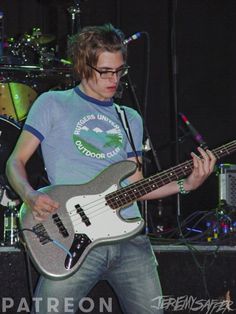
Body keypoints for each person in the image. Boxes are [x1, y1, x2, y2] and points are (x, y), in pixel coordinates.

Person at [6, 23, 216, 314]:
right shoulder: (53, 103)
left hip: (130, 242)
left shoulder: (129, 118)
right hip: (72, 235)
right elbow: (14, 162)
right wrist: (29, 195)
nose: (114, 79)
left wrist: (187, 185)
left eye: (119, 71)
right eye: (105, 71)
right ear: (82, 65)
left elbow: (136, 186)